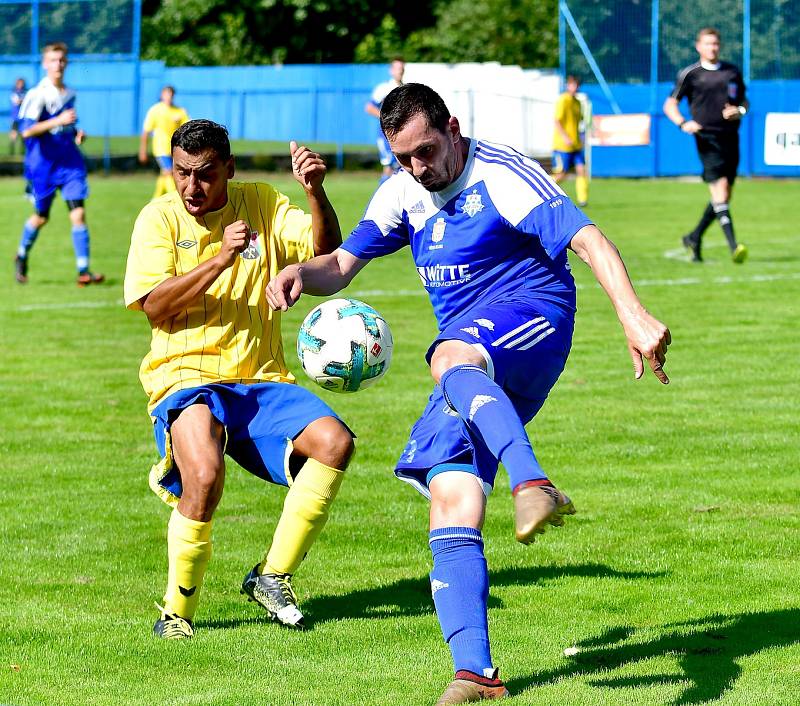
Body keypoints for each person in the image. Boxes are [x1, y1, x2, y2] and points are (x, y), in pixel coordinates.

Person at [267, 83, 671, 704]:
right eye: (404, 158)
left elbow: (587, 238)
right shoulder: (404, 190)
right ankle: (475, 673)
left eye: (426, 152)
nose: (418, 169)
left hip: (536, 315)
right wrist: (303, 272)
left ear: (453, 128)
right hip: (471, 360)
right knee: (449, 491)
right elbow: (342, 265)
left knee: (448, 355)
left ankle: (533, 483)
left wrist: (633, 314)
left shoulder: (502, 173)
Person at [124, 119, 354, 639]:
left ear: (228, 169)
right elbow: (156, 308)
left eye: (204, 174)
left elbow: (326, 251)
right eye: (181, 173)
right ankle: (176, 614)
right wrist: (222, 257)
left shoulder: (263, 202)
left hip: (261, 377)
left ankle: (272, 576)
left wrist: (315, 194)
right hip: (185, 377)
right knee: (203, 475)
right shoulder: (157, 218)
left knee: (334, 442)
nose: (190, 187)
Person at [13, 42, 103, 286]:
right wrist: (58, 121)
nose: (58, 64)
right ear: (45, 64)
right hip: (43, 166)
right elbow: (27, 132)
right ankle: (21, 255)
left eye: (62, 60)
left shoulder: (70, 94)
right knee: (41, 217)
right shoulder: (37, 94)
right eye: (53, 60)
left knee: (79, 214)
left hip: (69, 164)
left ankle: (83, 271)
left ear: (67, 63)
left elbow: (67, 125)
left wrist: (76, 134)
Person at [663, 27, 748, 264]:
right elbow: (669, 105)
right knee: (719, 192)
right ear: (698, 46)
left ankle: (694, 237)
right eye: (708, 44)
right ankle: (734, 247)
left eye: (716, 44)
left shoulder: (732, 71)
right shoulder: (691, 74)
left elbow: (744, 102)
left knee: (724, 197)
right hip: (706, 139)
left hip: (731, 138)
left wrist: (739, 111)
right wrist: (683, 123)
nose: (713, 48)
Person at [138, 85, 190, 199]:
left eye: (171, 95)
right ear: (162, 95)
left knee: (165, 174)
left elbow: (188, 128)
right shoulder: (155, 110)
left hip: (175, 149)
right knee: (170, 172)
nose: (169, 97)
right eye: (166, 94)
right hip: (161, 148)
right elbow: (146, 131)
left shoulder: (179, 111)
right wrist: (143, 151)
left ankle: (155, 200)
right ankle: (176, 197)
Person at [365, 57, 405, 182]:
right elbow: (369, 107)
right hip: (386, 135)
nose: (400, 71)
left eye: (402, 68)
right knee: (389, 168)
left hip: (401, 134)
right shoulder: (384, 88)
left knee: (400, 168)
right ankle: (379, 199)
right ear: (391, 71)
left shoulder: (405, 88)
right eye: (398, 68)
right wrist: (387, 118)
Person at [552, 75, 589, 207]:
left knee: (581, 170)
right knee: (562, 174)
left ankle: (583, 200)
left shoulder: (577, 103)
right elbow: (557, 120)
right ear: (568, 85)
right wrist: (565, 137)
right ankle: (543, 189)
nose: (575, 87)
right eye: (572, 85)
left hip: (576, 144)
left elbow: (580, 122)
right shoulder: (563, 100)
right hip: (563, 145)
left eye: (577, 85)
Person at [8, 78, 26, 155]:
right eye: (19, 83)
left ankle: (22, 151)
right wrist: (23, 101)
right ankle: (11, 151)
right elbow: (17, 101)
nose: (21, 85)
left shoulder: (25, 92)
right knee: (14, 135)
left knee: (23, 135)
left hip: (23, 118)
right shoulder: (14, 93)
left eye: (22, 83)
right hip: (15, 117)